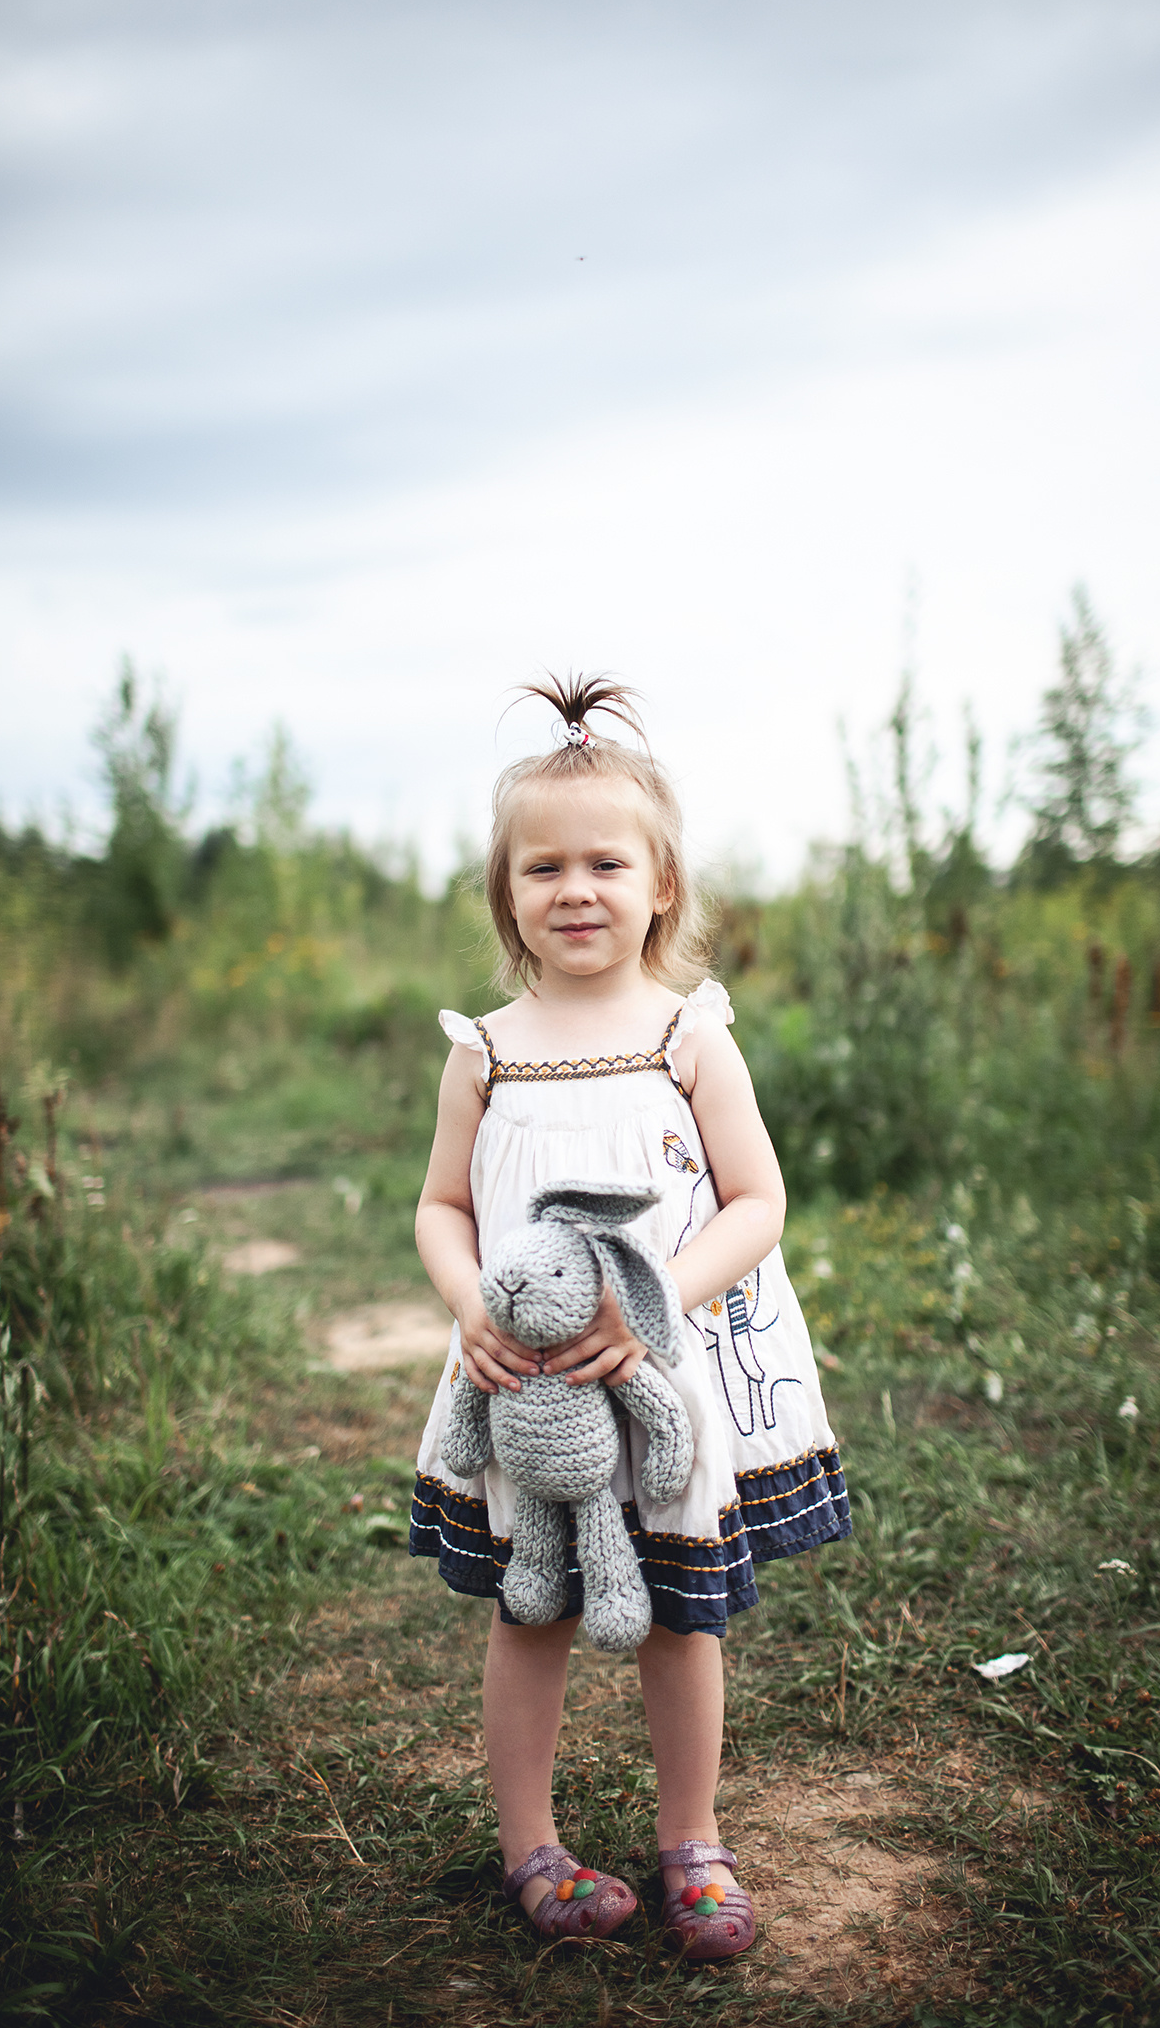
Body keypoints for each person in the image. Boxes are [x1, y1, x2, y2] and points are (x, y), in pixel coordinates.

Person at [410, 675, 850, 1959]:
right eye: (542, 866)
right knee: (529, 1607)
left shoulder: (688, 1036)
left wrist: (653, 1305)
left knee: (680, 1610)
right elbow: (441, 1206)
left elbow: (757, 1200)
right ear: (509, 896)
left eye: (608, 859)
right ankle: (531, 1848)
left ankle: (692, 1842)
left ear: (661, 884)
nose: (576, 887)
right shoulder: (486, 1050)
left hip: (665, 1373)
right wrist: (464, 1301)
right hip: (526, 1387)